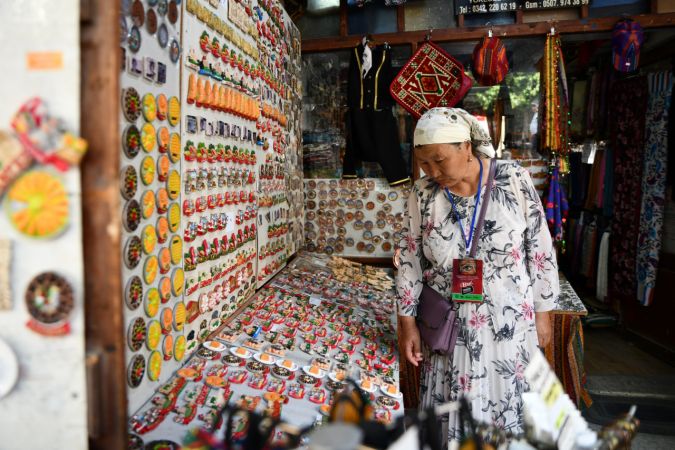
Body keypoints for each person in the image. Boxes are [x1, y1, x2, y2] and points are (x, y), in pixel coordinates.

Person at [396, 107, 558, 446]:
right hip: (449, 330)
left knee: (508, 406)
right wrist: (407, 324)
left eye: (440, 160)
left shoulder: (513, 178)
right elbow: (410, 258)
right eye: (425, 163)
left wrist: (543, 314)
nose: (433, 171)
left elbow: (539, 249)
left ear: (466, 146)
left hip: (509, 325)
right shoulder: (423, 194)